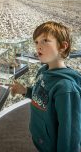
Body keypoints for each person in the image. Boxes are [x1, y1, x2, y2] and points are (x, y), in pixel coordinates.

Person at [10, 21, 81, 152]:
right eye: (36, 42)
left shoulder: (66, 88)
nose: (38, 46)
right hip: (42, 141)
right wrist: (25, 91)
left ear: (63, 46)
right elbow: (43, 98)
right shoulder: (43, 71)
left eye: (45, 41)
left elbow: (70, 135)